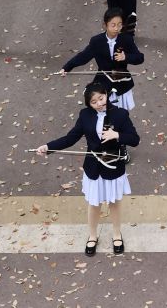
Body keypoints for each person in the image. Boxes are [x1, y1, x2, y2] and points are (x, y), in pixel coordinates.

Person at [37, 82, 140, 255]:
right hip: (93, 167)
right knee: (94, 204)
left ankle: (116, 234)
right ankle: (92, 236)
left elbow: (135, 139)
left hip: (113, 166)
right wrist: (48, 147)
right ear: (89, 104)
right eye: (94, 101)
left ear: (106, 95)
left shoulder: (121, 114)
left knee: (114, 203)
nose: (99, 103)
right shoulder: (85, 116)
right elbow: (71, 138)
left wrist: (117, 135)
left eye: (101, 98)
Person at [61, 9, 144, 111]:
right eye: (113, 25)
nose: (117, 28)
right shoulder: (96, 41)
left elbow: (140, 58)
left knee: (121, 115)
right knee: (102, 112)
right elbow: (83, 56)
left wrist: (126, 57)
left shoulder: (126, 39)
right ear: (105, 25)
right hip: (103, 82)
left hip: (122, 82)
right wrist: (67, 67)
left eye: (120, 25)